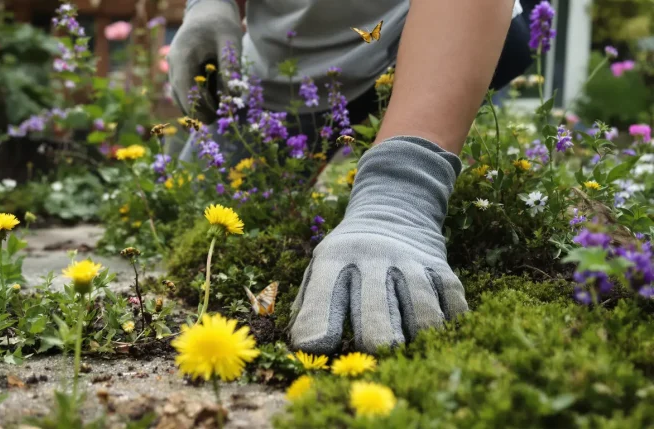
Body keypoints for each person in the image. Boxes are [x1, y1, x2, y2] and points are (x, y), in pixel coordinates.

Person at [168, 0, 532, 354]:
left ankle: (420, 127)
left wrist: (402, 187)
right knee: (186, 202)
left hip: (414, 40)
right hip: (280, 79)